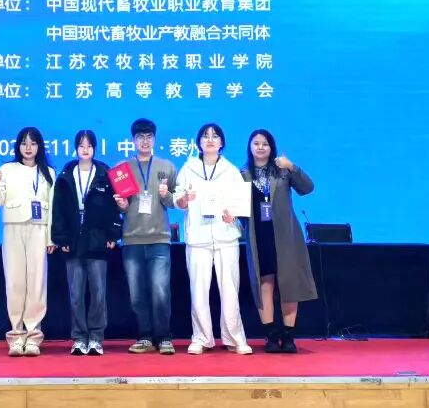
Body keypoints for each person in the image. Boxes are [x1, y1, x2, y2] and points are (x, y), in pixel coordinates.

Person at [174, 123, 252, 355]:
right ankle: (201, 338)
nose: (210, 139)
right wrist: (184, 200)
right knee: (198, 291)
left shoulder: (230, 170)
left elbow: (239, 203)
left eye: (215, 136)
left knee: (230, 290)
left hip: (226, 236)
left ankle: (234, 338)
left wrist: (233, 216)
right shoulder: (188, 168)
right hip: (198, 237)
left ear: (221, 143)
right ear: (199, 142)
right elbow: (178, 200)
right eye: (205, 136)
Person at [242, 128, 317, 353]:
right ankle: (271, 336)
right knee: (265, 283)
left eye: (265, 143)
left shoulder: (283, 171)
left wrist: (292, 166)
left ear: (271, 147)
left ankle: (289, 335)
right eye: (256, 143)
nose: (260, 147)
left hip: (285, 236)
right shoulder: (242, 174)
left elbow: (308, 188)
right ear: (250, 147)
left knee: (288, 284)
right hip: (259, 236)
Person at [0, 126, 57, 356]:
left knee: (37, 283)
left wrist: (51, 238)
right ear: (18, 146)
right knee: (15, 282)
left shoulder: (49, 172)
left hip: (38, 230)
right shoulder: (6, 169)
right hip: (13, 228)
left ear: (39, 147)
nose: (28, 147)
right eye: (24, 143)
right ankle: (16, 336)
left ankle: (34, 335)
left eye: (33, 143)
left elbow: (53, 209)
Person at [51, 130, 121, 356]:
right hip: (73, 240)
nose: (85, 149)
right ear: (75, 148)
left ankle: (96, 338)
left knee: (98, 293)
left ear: (95, 149)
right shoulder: (65, 175)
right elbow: (58, 209)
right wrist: (60, 237)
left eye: (89, 145)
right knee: (76, 294)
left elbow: (113, 207)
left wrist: (113, 235)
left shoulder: (105, 174)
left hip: (98, 239)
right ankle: (79, 338)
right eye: (81, 145)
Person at [113, 117, 177, 355]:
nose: (145, 141)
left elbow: (174, 201)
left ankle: (164, 337)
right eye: (140, 137)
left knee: (161, 291)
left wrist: (166, 195)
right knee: (136, 294)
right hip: (131, 238)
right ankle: (145, 337)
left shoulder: (166, 166)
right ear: (133, 140)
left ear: (155, 139)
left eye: (149, 137)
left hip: (159, 238)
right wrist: (121, 206)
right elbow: (121, 205)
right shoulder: (122, 169)